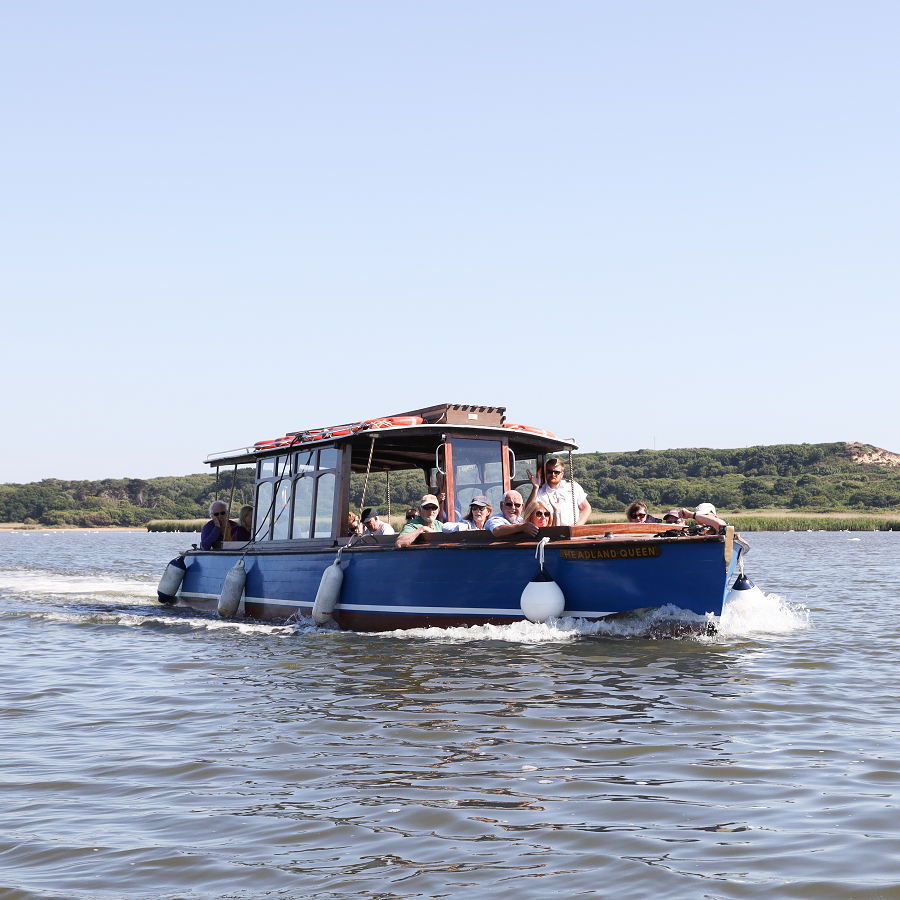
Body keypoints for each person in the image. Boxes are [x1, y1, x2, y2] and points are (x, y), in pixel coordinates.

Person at [525, 458, 591, 526]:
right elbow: (528, 510)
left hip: (571, 530)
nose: (553, 474)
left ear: (562, 474)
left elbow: (586, 507)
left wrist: (579, 524)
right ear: (546, 473)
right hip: (551, 531)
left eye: (556, 472)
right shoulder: (540, 492)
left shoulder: (573, 486)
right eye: (550, 472)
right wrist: (535, 487)